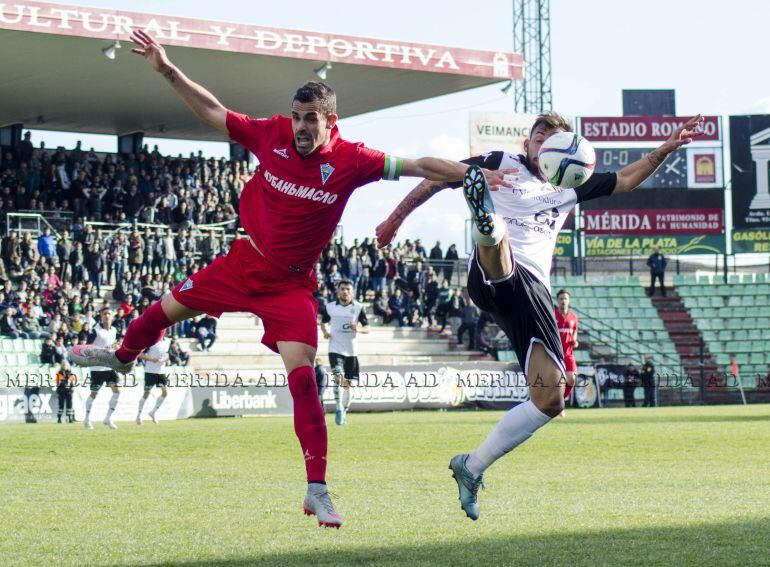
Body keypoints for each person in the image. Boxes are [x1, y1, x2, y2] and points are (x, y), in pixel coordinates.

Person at [68, 28, 509, 529]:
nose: (300, 127)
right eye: (297, 117)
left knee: (304, 381)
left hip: (290, 286)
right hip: (241, 265)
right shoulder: (271, 133)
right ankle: (124, 360)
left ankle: (316, 490)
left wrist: (470, 174)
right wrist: (168, 70)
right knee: (160, 313)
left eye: (310, 119)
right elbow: (214, 113)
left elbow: (418, 164)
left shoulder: (353, 160)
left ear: (330, 122)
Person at [377, 111, 704, 520]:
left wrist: (666, 149)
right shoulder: (500, 163)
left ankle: (471, 466)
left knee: (551, 398)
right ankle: (488, 222)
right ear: (528, 145)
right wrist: (395, 219)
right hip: (496, 273)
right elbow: (435, 178)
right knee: (499, 243)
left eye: (555, 136)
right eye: (539, 135)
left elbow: (624, 180)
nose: (545, 141)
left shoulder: (572, 184)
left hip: (532, 297)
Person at [320, 280, 368, 426]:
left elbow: (367, 328)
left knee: (348, 386)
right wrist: (325, 332)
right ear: (338, 291)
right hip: (335, 349)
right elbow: (323, 322)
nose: (345, 291)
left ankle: (344, 412)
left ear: (352, 292)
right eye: (342, 289)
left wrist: (357, 329)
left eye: (348, 289)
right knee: (338, 378)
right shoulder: (330, 307)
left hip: (351, 352)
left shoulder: (359, 307)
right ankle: (338, 407)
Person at [83, 308, 121, 430]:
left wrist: (116, 346)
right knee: (94, 393)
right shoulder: (96, 331)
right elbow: (87, 348)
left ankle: (108, 418)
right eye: (104, 314)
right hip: (97, 367)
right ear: (100, 316)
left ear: (112, 316)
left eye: (108, 313)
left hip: (110, 366)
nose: (106, 316)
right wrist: (103, 351)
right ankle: (87, 419)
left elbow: (114, 344)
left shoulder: (114, 330)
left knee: (117, 392)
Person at [137, 335, 171, 425]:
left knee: (165, 393)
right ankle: (139, 416)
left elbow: (167, 354)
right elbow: (139, 354)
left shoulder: (167, 340)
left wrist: (166, 358)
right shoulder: (151, 340)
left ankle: (153, 412)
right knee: (146, 393)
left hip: (161, 371)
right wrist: (151, 359)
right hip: (150, 371)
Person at [554, 289, 579, 410]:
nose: (563, 301)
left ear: (569, 301)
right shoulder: (552, 315)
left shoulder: (573, 317)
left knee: (572, 379)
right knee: (553, 382)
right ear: (557, 300)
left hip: (568, 354)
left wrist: (575, 342)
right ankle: (553, 405)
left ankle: (560, 404)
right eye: (561, 298)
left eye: (565, 298)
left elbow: (575, 335)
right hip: (555, 354)